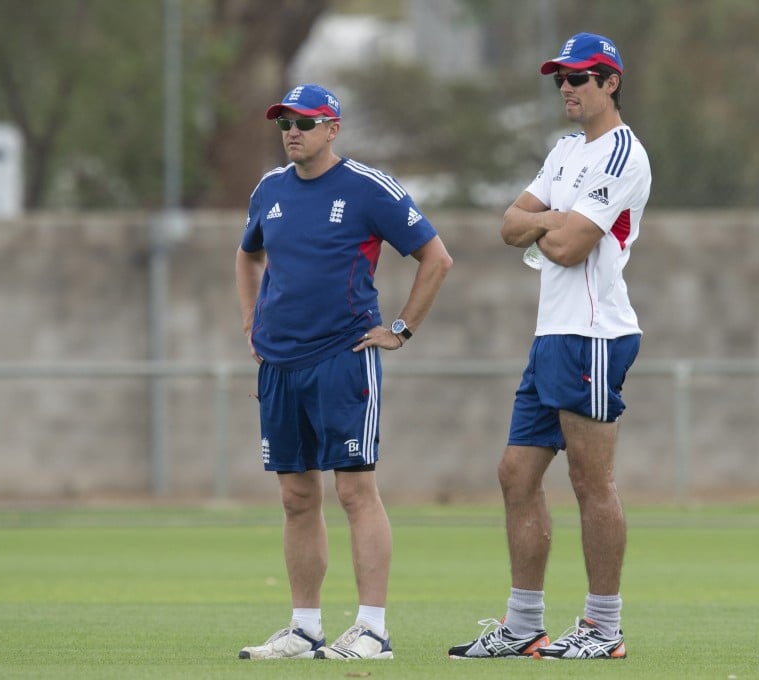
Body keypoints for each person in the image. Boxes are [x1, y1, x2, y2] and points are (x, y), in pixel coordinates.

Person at [447, 32, 650, 661]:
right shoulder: (564, 151)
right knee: (515, 473)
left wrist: (549, 226)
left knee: (591, 481)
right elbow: (509, 223)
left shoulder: (620, 155)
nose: (567, 86)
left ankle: (603, 628)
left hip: (593, 333)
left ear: (610, 82)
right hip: (552, 334)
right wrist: (550, 221)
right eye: (560, 77)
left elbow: (567, 248)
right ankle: (524, 625)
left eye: (581, 77)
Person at [235, 83, 452, 661]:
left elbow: (436, 256)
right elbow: (248, 254)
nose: (292, 131)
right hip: (280, 363)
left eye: (305, 121)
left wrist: (401, 329)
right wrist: (251, 324)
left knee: (355, 490)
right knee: (295, 496)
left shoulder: (366, 188)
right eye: (285, 121)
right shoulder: (269, 190)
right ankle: (305, 629)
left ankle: (373, 629)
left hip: (343, 358)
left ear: (333, 129)